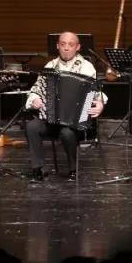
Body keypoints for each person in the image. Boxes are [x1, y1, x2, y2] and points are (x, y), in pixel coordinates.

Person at [23, 32, 104, 182]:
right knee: (32, 127)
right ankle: (38, 168)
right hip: (51, 118)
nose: (66, 48)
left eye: (71, 45)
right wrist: (35, 99)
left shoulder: (86, 68)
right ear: (57, 46)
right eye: (63, 44)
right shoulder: (50, 66)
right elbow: (36, 88)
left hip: (74, 123)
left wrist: (99, 104)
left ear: (77, 47)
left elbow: (94, 93)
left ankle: (73, 169)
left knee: (67, 133)